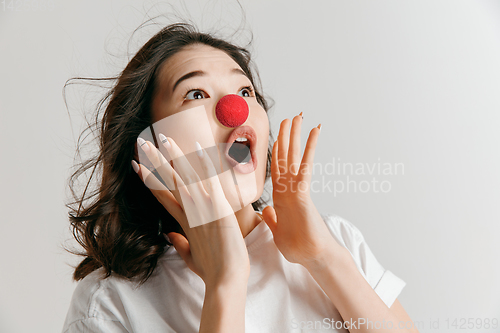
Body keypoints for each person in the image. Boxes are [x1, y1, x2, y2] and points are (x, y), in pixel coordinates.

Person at [62, 22, 418, 333]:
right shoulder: (108, 303)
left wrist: (323, 258)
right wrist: (225, 282)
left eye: (245, 91)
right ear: (146, 146)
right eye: (195, 94)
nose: (234, 108)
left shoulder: (336, 241)